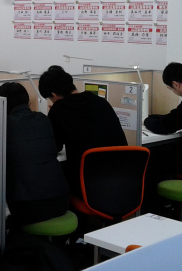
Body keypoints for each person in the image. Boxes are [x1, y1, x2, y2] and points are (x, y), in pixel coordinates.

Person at [38, 65, 127, 196]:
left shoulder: (59, 109)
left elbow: (55, 147)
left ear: (54, 95)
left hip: (88, 185)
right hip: (122, 179)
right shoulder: (100, 102)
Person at [0, 82, 69, 226]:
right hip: (61, 200)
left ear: (2, 104)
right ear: (28, 101)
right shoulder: (43, 119)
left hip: (28, 208)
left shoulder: (5, 126)